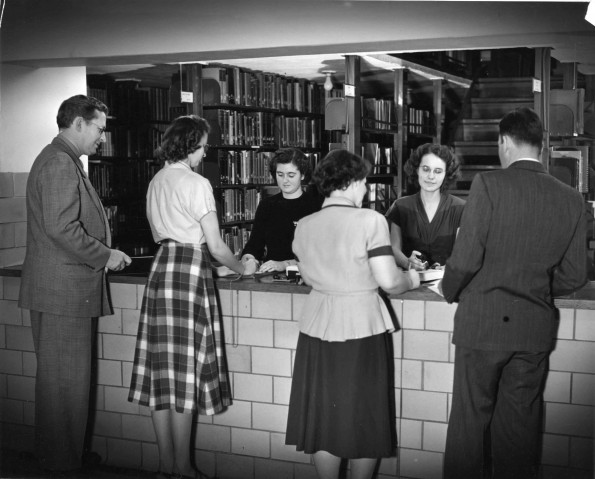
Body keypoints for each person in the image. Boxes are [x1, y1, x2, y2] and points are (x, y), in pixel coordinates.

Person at [441, 107, 588, 479]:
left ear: (504, 142)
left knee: (469, 426)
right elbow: (574, 275)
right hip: (533, 329)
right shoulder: (571, 198)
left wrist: (448, 288)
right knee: (519, 430)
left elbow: (466, 258)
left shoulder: (489, 184)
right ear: (542, 147)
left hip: (483, 324)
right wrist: (533, 286)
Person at [128, 115, 256, 479]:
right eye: (202, 146)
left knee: (161, 371)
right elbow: (214, 246)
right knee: (185, 372)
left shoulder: (156, 181)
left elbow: (175, 239)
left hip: (162, 268)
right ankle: (183, 466)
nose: (204, 153)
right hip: (188, 275)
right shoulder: (197, 183)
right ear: (190, 145)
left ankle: (166, 464)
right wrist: (241, 267)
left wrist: (214, 265)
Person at [285, 149, 420, 479]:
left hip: (316, 326)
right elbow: (390, 281)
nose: (365, 190)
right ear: (354, 182)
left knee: (323, 416)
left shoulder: (304, 224)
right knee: (365, 414)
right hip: (361, 325)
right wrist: (413, 278)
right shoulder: (370, 220)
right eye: (364, 183)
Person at [18, 94, 131, 474]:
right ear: (78, 123)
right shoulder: (59, 164)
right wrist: (105, 255)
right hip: (63, 293)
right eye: (99, 129)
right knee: (65, 388)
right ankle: (62, 465)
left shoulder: (62, 160)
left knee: (64, 387)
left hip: (62, 291)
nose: (102, 137)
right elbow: (61, 227)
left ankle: (62, 458)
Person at [240, 147, 322, 274]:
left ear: (303, 175)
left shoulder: (316, 206)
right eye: (280, 175)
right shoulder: (267, 205)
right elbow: (254, 246)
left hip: (307, 276)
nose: (285, 180)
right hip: (272, 276)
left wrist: (284, 264)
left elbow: (320, 253)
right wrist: (249, 259)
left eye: (291, 175)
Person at [385, 143, 465, 271]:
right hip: (409, 282)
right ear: (416, 170)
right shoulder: (400, 206)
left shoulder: (461, 208)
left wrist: (448, 268)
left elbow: (463, 253)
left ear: (447, 174)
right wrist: (407, 262)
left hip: (446, 285)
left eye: (438, 171)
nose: (431, 176)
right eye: (426, 169)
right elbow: (393, 249)